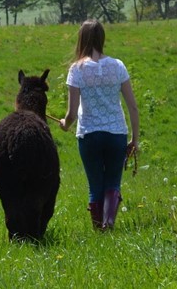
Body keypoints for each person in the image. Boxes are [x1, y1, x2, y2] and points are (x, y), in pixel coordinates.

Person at [58, 19, 139, 231]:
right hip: (116, 133)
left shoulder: (76, 70)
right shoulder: (118, 66)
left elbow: (72, 113)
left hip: (89, 134)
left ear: (81, 39)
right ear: (102, 38)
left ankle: (99, 229)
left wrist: (64, 124)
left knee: (95, 185)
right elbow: (133, 107)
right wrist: (135, 140)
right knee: (113, 183)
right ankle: (108, 222)